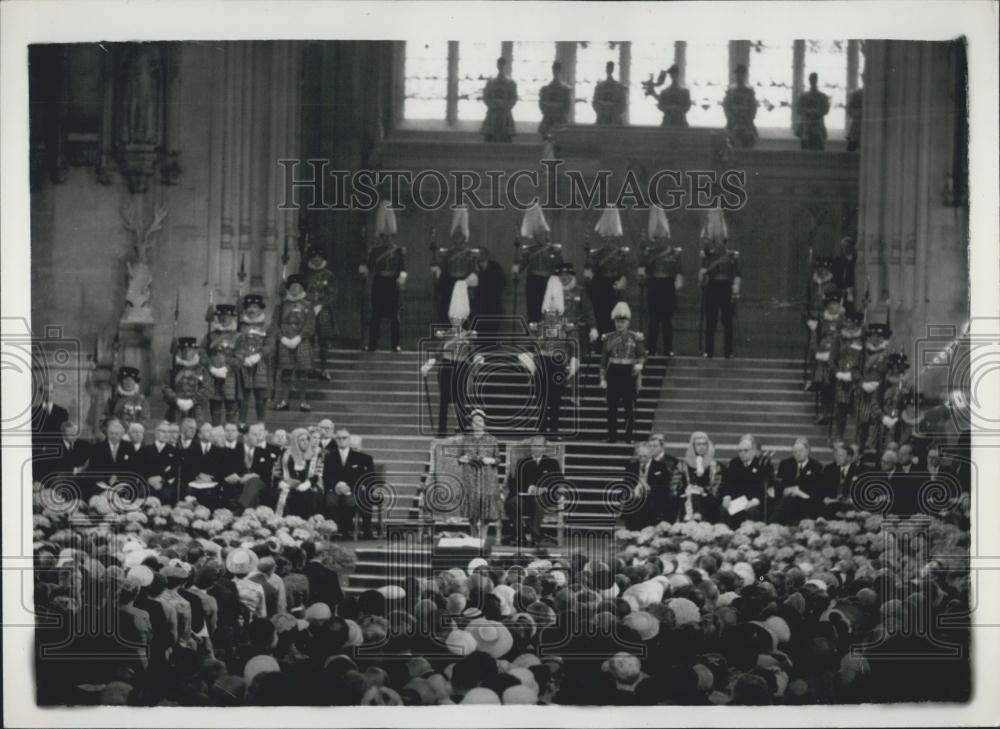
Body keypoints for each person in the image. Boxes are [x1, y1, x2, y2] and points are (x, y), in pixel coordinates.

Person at [421, 281, 483, 436]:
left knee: (461, 399)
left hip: (462, 368)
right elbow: (438, 351)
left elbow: (473, 352)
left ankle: (462, 428)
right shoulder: (446, 334)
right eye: (454, 318)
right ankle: (441, 430)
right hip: (447, 367)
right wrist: (429, 364)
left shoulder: (469, 335)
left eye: (459, 318)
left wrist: (478, 358)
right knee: (444, 400)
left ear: (463, 319)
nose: (456, 320)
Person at [520, 275, 579, 437]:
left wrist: (573, 361)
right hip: (543, 364)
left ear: (558, 312)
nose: (551, 314)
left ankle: (554, 429)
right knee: (542, 398)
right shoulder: (537, 327)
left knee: (556, 399)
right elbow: (529, 345)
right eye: (548, 311)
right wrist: (529, 360)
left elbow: (573, 345)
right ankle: (540, 429)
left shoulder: (566, 328)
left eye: (554, 312)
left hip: (558, 363)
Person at [360, 201, 407, 352]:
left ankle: (395, 344)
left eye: (389, 236)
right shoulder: (375, 251)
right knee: (375, 315)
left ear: (393, 236)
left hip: (393, 283)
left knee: (394, 316)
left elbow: (403, 269)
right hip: (379, 282)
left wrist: (401, 279)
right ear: (381, 236)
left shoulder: (399, 251)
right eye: (384, 236)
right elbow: (370, 267)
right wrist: (364, 270)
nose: (387, 239)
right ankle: (372, 344)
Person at [639, 206, 683, 357]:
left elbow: (679, 271)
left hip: (668, 286)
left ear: (667, 237)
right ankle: (651, 348)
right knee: (653, 320)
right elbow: (643, 269)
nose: (660, 241)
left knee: (667, 320)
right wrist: (642, 274)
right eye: (657, 238)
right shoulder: (648, 253)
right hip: (654, 285)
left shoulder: (674, 253)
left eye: (662, 238)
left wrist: (677, 285)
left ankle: (668, 349)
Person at [599, 302, 646, 443]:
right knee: (612, 406)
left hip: (628, 372)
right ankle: (612, 436)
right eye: (617, 321)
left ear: (628, 323)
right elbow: (603, 360)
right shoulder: (608, 338)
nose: (619, 324)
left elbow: (642, 355)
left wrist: (639, 365)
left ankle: (629, 436)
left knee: (628, 406)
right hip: (613, 371)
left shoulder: (635, 337)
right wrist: (603, 378)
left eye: (622, 322)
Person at [504, 436, 562, 547]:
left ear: (544, 448)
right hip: (524, 497)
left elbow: (558, 481)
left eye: (539, 446)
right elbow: (514, 483)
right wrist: (529, 488)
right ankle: (521, 536)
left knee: (538, 501)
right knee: (511, 504)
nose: (536, 448)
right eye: (534, 445)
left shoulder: (552, 463)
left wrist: (543, 488)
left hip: (543, 497)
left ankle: (535, 536)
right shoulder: (522, 462)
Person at [432, 206, 485, 325]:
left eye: (460, 236)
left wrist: (467, 282)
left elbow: (475, 270)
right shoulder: (447, 253)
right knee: (447, 311)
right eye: (456, 236)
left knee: (464, 313)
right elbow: (442, 269)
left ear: (464, 237)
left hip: (463, 283)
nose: (458, 239)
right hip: (450, 284)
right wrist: (436, 270)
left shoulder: (470, 253)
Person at [455, 409, 501, 542]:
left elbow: (498, 459)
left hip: (487, 478)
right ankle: (474, 536)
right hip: (470, 477)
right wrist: (464, 459)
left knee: (485, 509)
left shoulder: (492, 439)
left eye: (480, 421)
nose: (478, 424)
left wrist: (490, 460)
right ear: (472, 424)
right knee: (472, 509)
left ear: (484, 423)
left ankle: (483, 537)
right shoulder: (465, 439)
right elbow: (459, 457)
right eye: (475, 422)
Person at [272, 274, 315, 413]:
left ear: (302, 289)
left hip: (302, 341)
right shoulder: (281, 305)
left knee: (302, 373)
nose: (295, 289)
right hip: (285, 341)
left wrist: (299, 337)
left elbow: (310, 325)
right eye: (292, 287)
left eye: (298, 287)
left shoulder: (308, 305)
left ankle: (303, 402)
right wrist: (282, 338)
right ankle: (284, 401)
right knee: (286, 372)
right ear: (288, 289)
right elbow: (274, 324)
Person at [323, 427, 375, 540]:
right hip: (335, 488)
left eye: (344, 438)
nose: (341, 440)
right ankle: (336, 531)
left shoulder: (359, 457)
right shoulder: (329, 457)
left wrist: (349, 487)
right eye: (339, 438)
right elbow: (326, 475)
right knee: (330, 501)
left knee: (350, 502)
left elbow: (361, 476)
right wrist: (336, 486)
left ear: (348, 439)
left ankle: (346, 531)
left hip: (352, 489)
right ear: (335, 440)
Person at [515, 202, 563, 324]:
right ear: (535, 236)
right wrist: (516, 261)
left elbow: (559, 267)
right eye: (538, 234)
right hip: (533, 282)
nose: (540, 236)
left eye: (542, 233)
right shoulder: (529, 250)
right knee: (533, 310)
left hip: (548, 281)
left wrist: (556, 256)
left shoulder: (553, 249)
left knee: (548, 309)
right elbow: (519, 268)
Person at [586, 207, 631, 336]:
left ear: (615, 238)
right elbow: (592, 271)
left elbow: (625, 271)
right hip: (601, 286)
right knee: (601, 315)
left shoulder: (621, 253)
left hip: (615, 286)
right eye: (606, 237)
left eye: (610, 237)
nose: (608, 240)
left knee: (615, 316)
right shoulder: (596, 254)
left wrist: (622, 281)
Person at [699, 233, 741, 359]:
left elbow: (737, 274)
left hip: (726, 287)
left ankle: (728, 351)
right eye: (716, 241)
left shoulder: (732, 256)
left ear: (724, 242)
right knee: (711, 321)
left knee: (727, 321)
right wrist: (702, 278)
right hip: (713, 286)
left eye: (720, 241)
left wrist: (735, 287)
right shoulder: (708, 256)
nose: (718, 243)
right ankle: (708, 351)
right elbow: (703, 272)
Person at [235, 294, 274, 425]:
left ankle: (260, 422)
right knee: (243, 395)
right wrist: (242, 357)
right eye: (249, 307)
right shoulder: (239, 327)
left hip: (260, 363)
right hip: (243, 363)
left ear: (260, 309)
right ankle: (241, 423)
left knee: (260, 395)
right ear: (245, 310)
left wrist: (259, 355)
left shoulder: (267, 327)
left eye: (255, 307)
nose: (252, 310)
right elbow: (235, 344)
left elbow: (270, 345)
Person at [719, 434, 773, 526]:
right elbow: (727, 483)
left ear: (753, 451)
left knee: (753, 510)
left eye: (745, 450)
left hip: (754, 500)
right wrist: (727, 497)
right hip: (737, 501)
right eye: (740, 451)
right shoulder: (734, 463)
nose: (742, 453)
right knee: (724, 508)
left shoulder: (762, 464)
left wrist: (754, 501)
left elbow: (765, 487)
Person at [855, 323, 892, 456]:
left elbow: (889, 373)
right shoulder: (862, 353)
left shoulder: (886, 354)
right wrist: (862, 383)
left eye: (879, 336)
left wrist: (881, 385)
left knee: (876, 419)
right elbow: (855, 371)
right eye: (873, 336)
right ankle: (860, 446)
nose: (876, 339)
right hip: (864, 392)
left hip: (878, 391)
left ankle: (872, 446)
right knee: (863, 420)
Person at [202, 304, 242, 425]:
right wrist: (210, 367)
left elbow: (240, 356)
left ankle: (231, 429)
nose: (224, 319)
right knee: (215, 402)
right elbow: (201, 352)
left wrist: (227, 367)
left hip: (230, 373)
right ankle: (216, 428)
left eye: (227, 317)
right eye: (222, 317)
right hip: (213, 373)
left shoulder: (238, 337)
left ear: (232, 318)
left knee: (231, 402)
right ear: (218, 318)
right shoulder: (210, 336)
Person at [273, 427, 325, 518]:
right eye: (302, 440)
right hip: (288, 484)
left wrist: (307, 484)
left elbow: (317, 474)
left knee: (311, 494)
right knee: (283, 494)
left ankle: (308, 522)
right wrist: (282, 483)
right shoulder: (285, 454)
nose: (306, 442)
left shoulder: (315, 454)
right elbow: (277, 473)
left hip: (309, 484)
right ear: (295, 441)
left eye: (307, 439)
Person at [303, 248, 338, 380]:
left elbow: (332, 293)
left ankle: (324, 368)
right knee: (309, 340)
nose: (316, 260)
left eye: (319, 257)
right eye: (314, 257)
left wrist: (321, 304)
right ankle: (309, 368)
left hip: (324, 311)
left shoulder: (329, 275)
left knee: (324, 340)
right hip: (308, 310)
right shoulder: (305, 275)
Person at [809, 292, 843, 425]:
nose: (834, 307)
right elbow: (815, 337)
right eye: (831, 304)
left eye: (836, 304)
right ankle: (823, 412)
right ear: (827, 306)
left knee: (836, 386)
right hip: (823, 357)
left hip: (837, 357)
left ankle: (834, 412)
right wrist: (815, 351)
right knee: (824, 385)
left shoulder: (843, 320)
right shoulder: (822, 319)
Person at [672, 431, 722, 523]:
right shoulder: (683, 465)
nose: (702, 447)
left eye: (704, 444)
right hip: (686, 497)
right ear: (693, 446)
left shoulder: (714, 465)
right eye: (698, 444)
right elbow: (675, 485)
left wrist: (703, 491)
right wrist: (687, 489)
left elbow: (716, 486)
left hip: (707, 498)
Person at [772, 437, 824, 524]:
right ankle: (775, 524)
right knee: (784, 502)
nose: (798, 454)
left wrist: (799, 492)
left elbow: (816, 491)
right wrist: (785, 490)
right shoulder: (785, 464)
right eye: (795, 452)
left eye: (800, 451)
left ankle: (775, 524)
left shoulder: (816, 466)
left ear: (807, 451)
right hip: (787, 500)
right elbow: (779, 485)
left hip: (806, 501)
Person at [624, 441, 675, 529]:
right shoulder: (631, 467)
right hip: (636, 496)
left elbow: (664, 486)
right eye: (640, 456)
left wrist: (647, 487)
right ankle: (632, 527)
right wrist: (635, 488)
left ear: (650, 454)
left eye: (645, 456)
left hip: (654, 496)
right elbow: (627, 483)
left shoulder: (661, 466)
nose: (642, 458)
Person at [832, 311, 865, 441]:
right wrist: (837, 372)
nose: (852, 325)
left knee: (858, 408)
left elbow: (864, 359)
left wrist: (859, 374)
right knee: (841, 407)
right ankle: (839, 436)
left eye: (856, 323)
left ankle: (858, 438)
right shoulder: (839, 339)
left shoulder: (863, 339)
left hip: (857, 377)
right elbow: (831, 360)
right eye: (850, 322)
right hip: (842, 378)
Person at [556, 262, 598, 356]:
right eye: (561, 275)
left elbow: (588, 310)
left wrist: (593, 327)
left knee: (576, 355)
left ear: (572, 276)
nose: (564, 278)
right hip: (558, 330)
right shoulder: (553, 291)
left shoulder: (580, 291)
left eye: (567, 275)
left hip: (577, 331)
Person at [140, 420, 181, 505]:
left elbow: (175, 470)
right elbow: (140, 468)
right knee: (142, 492)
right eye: (163, 431)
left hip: (165, 485)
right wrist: (149, 480)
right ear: (156, 433)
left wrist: (162, 479)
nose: (166, 434)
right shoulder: (145, 450)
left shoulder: (175, 451)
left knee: (167, 494)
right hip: (148, 483)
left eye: (168, 432)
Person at [481, 57, 518, 143]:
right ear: (497, 66)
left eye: (502, 65)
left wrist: (504, 105)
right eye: (499, 65)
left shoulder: (511, 84)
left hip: (505, 114)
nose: (501, 67)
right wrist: (494, 105)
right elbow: (486, 97)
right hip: (492, 114)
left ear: (505, 66)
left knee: (506, 140)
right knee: (490, 140)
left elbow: (514, 98)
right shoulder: (490, 83)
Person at [722, 64, 758, 148]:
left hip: (747, 123)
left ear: (744, 76)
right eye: (738, 74)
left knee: (748, 142)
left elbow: (753, 108)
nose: (739, 77)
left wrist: (749, 119)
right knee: (731, 143)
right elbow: (726, 106)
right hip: (733, 122)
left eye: (741, 74)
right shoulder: (730, 91)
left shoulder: (750, 91)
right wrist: (731, 118)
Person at [822, 442, 862, 517]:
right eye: (836, 455)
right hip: (831, 504)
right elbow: (823, 487)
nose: (837, 457)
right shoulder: (829, 469)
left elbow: (858, 493)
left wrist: (848, 500)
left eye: (841, 455)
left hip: (849, 506)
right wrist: (825, 497)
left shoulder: (858, 471)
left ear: (849, 457)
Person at [795, 73, 831, 151]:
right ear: (809, 81)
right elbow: (798, 109)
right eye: (811, 80)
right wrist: (807, 111)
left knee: (819, 148)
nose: (813, 82)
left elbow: (826, 110)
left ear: (817, 80)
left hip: (818, 126)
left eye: (814, 80)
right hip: (805, 126)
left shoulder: (822, 96)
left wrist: (817, 112)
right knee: (805, 149)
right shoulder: (803, 96)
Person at [538, 61, 571, 139]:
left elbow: (567, 106)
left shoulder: (565, 89)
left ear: (560, 71)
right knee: (546, 140)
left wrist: (558, 109)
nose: (556, 72)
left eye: (557, 70)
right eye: (554, 70)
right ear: (552, 70)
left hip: (560, 119)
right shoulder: (545, 89)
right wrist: (549, 109)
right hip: (548, 119)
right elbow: (541, 104)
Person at [593, 61, 626, 125]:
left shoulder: (619, 87)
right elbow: (595, 103)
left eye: (610, 68)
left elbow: (623, 104)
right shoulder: (599, 87)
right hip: (601, 120)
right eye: (608, 68)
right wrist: (603, 110)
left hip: (615, 120)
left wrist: (613, 110)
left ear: (613, 69)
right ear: (606, 69)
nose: (609, 70)